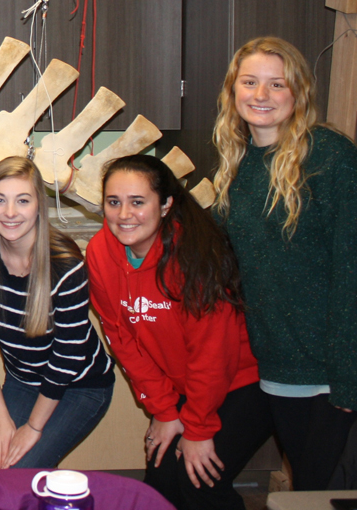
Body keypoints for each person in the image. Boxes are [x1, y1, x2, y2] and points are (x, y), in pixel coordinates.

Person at [212, 37, 357, 489]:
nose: (261, 95)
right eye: (250, 82)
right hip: (282, 371)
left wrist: (351, 380)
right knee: (310, 490)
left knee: (333, 496)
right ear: (233, 91)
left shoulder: (330, 156)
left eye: (277, 85)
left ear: (298, 94)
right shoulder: (238, 166)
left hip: (343, 376)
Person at [88, 154, 267, 510]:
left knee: (198, 481)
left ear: (166, 204)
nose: (124, 214)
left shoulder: (194, 256)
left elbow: (213, 353)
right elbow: (121, 339)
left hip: (241, 382)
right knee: (160, 483)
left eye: (138, 202)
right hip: (183, 387)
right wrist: (165, 409)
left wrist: (198, 429)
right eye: (114, 202)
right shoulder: (99, 252)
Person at [0, 156, 115, 471]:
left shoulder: (66, 266)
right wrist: (0, 417)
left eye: (22, 200)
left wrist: (33, 428)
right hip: (23, 380)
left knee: (19, 470)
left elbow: (66, 358)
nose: (10, 213)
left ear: (38, 206)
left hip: (80, 384)